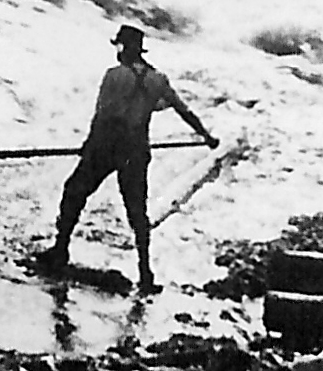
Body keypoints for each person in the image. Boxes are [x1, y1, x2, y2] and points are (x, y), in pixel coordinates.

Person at [39, 24, 218, 293]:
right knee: (137, 212)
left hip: (107, 147)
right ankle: (146, 274)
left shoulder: (114, 75)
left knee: (74, 191)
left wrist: (89, 145)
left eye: (120, 46)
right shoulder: (158, 79)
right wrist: (206, 136)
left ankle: (60, 250)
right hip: (136, 151)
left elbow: (103, 114)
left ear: (126, 48)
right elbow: (184, 111)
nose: (117, 52)